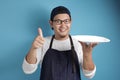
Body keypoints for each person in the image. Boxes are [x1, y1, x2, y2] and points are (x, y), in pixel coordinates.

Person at [22, 6, 97, 80]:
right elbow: (27, 70)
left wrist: (87, 55)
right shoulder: (42, 42)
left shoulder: (79, 43)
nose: (63, 25)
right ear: (51, 23)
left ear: (70, 22)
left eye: (66, 21)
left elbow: (89, 75)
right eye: (58, 21)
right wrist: (33, 48)